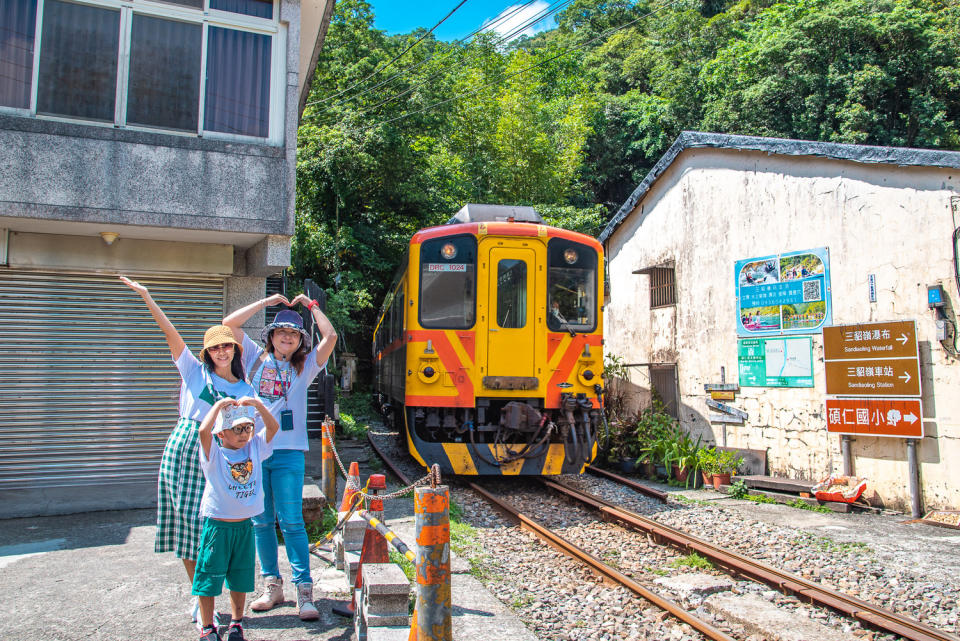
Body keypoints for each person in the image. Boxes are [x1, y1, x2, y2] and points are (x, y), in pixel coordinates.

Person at [120, 276, 256, 627]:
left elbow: (248, 431)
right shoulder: (194, 372)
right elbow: (170, 334)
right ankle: (200, 597)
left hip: (222, 454)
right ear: (207, 354)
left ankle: (224, 600)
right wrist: (148, 297)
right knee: (186, 527)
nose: (221, 352)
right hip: (185, 447)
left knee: (216, 528)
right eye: (214, 349)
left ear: (235, 350)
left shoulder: (244, 386)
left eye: (226, 346)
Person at [223, 294, 337, 620]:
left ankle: (305, 591)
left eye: (294, 334)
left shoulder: (305, 366)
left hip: (289, 452)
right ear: (271, 336)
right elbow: (229, 324)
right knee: (260, 522)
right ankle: (271, 586)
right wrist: (265, 302)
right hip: (254, 450)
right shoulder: (254, 359)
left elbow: (330, 337)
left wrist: (312, 306)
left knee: (292, 522)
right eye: (280, 332)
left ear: (300, 340)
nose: (286, 337)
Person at [193, 397, 279, 641]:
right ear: (221, 434)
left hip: (243, 526)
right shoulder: (214, 455)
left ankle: (236, 623)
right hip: (217, 526)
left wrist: (258, 406)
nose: (244, 434)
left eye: (247, 427)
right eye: (237, 429)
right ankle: (208, 627)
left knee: (240, 577)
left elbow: (273, 428)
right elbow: (202, 431)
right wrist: (218, 407)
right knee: (209, 577)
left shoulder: (255, 448)